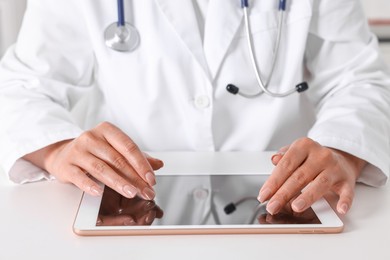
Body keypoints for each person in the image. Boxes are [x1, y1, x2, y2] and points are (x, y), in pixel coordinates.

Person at [0, 0, 389, 217]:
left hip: (284, 207)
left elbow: (359, 79)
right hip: (134, 209)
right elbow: (21, 85)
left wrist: (341, 150)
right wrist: (54, 149)